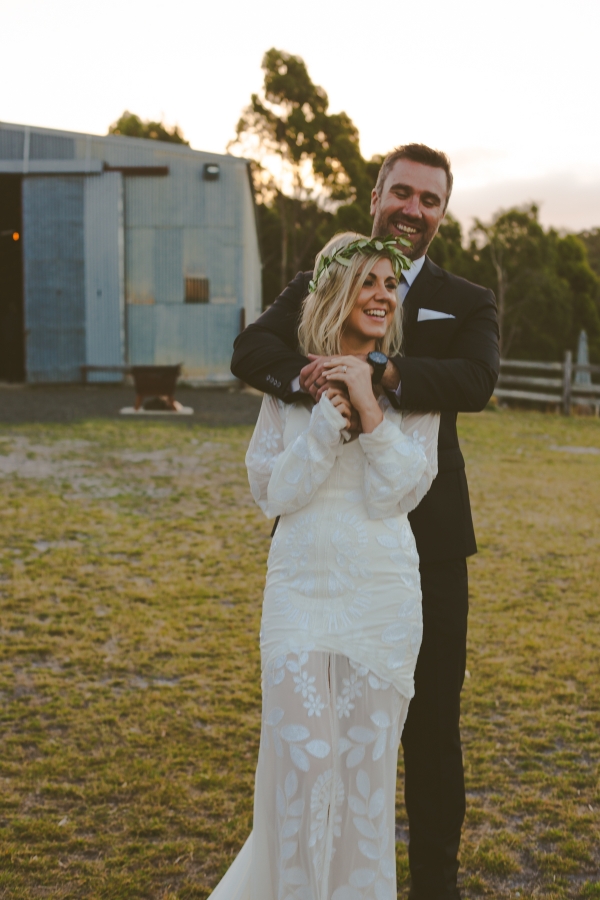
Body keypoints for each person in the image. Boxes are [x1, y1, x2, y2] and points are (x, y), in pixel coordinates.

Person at [231, 144, 500, 900]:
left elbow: (477, 381)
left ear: (442, 213)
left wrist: (377, 376)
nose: (414, 210)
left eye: (431, 200)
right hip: (319, 540)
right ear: (377, 195)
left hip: (428, 542)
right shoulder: (328, 276)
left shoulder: (466, 296)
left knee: (429, 725)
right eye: (403, 193)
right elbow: (254, 349)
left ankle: (432, 887)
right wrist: (310, 383)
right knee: (313, 742)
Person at [211, 231, 440, 900]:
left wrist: (370, 409)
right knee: (305, 767)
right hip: (299, 593)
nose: (382, 295)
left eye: (390, 285)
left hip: (381, 596)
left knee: (365, 784)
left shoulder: (410, 390)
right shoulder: (290, 388)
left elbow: (397, 493)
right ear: (338, 292)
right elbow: (273, 493)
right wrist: (320, 422)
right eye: (367, 282)